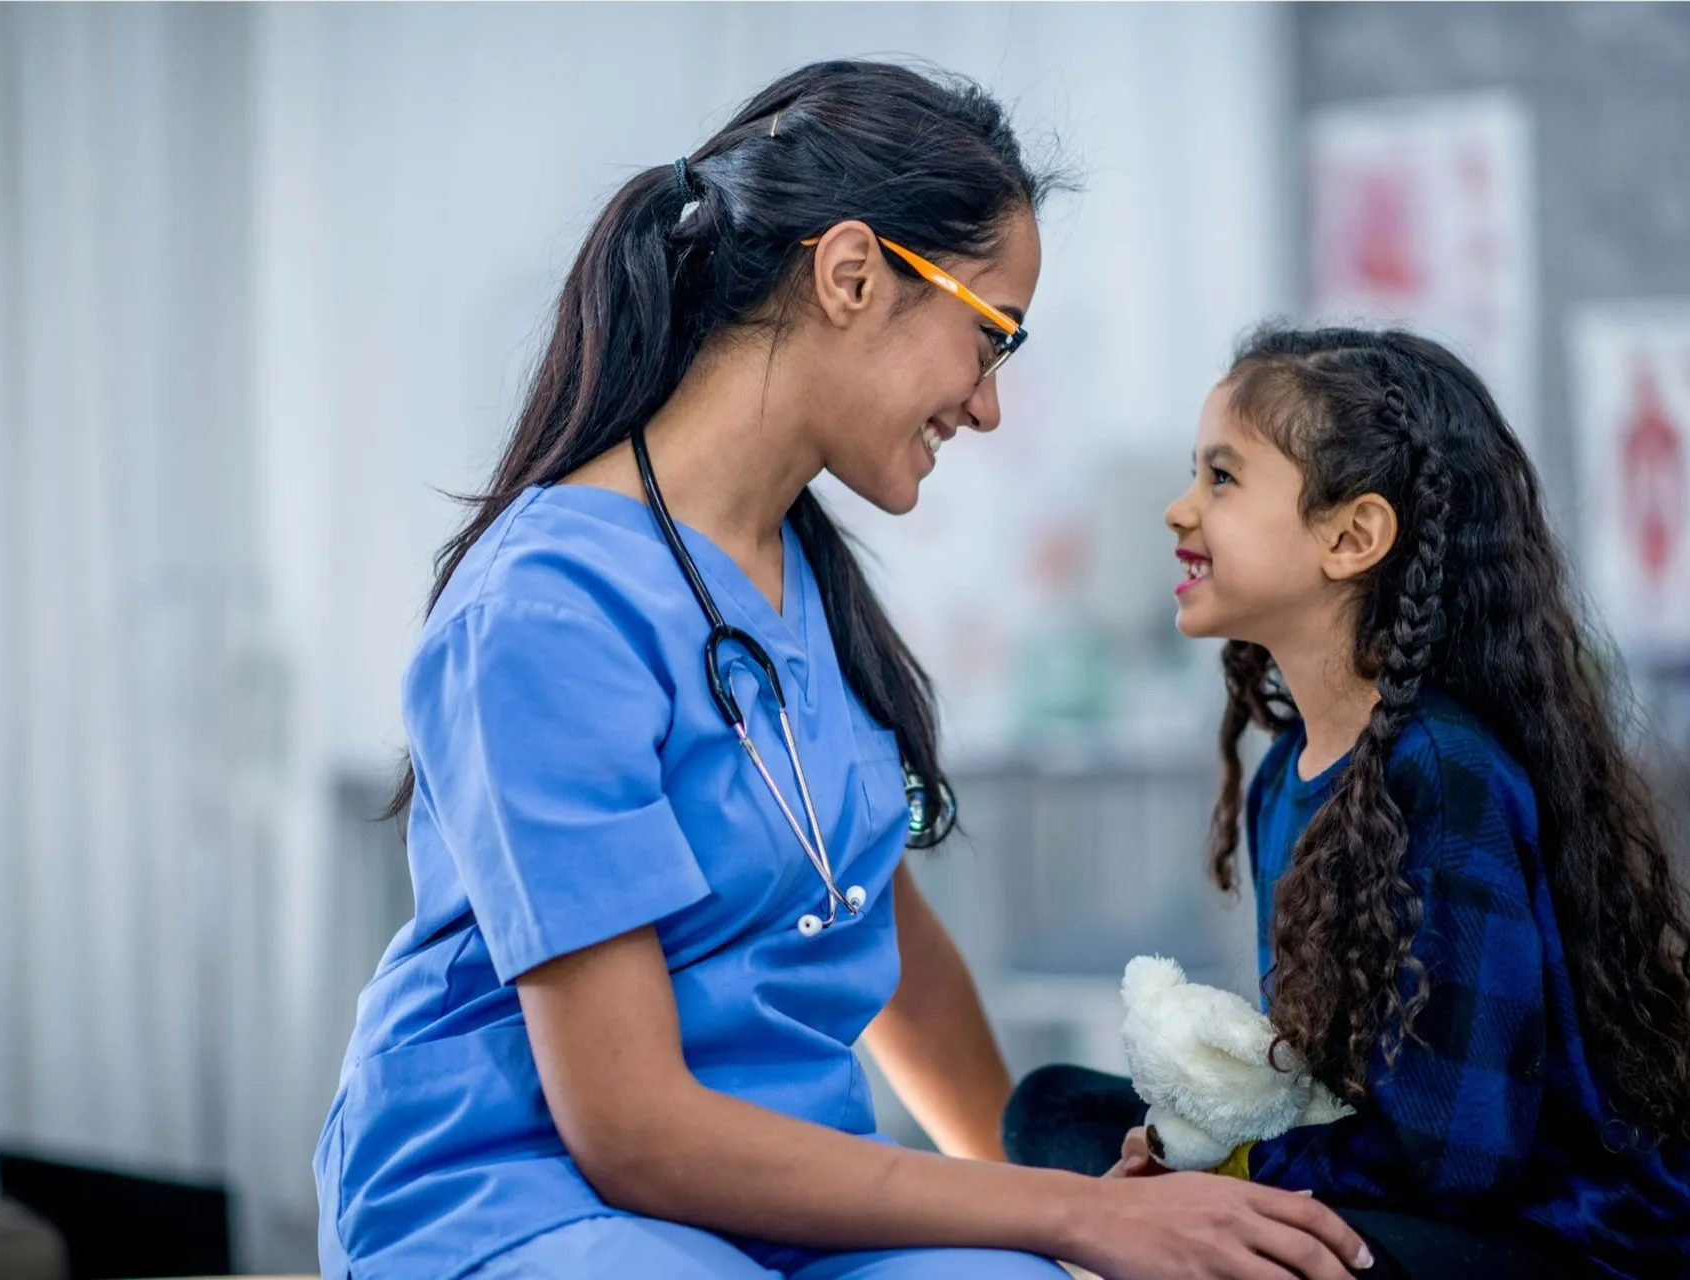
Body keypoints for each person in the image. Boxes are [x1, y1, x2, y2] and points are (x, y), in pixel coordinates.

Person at [314, 62, 1373, 1280]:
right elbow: (630, 1129)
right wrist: (1069, 1213)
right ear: (852, 273)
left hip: (785, 1196)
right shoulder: (547, 610)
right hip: (529, 1192)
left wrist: (1073, 1223)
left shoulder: (808, 584)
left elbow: (881, 934)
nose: (986, 406)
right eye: (988, 338)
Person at [1004, 327, 1690, 1280]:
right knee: (1048, 1111)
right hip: (1399, 1186)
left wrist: (1225, 1173)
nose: (1179, 510)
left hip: (1551, 1239)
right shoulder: (1286, 773)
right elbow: (1318, 1087)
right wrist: (1186, 1154)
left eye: (1221, 479)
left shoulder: (1442, 774)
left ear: (1352, 536)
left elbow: (1459, 1160)